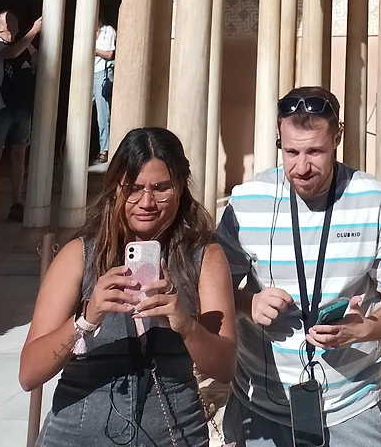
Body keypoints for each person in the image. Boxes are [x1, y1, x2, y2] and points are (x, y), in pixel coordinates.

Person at [217, 85, 381, 447]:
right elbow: (213, 289)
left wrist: (365, 329)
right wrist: (250, 303)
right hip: (261, 406)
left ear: (337, 137)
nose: (302, 167)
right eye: (291, 152)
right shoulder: (247, 202)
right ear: (279, 138)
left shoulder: (375, 201)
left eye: (315, 152)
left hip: (352, 407)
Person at [19, 126, 236, 445]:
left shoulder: (204, 257)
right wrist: (85, 319)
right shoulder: (80, 255)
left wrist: (186, 326)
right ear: (115, 189)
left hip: (173, 433)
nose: (146, 202)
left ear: (180, 187)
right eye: (133, 188)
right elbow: (29, 374)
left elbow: (226, 367)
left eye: (161, 188)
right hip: (77, 434)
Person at [0, 9, 41, 226]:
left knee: (19, 154)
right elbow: (12, 53)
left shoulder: (25, 44)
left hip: (22, 107)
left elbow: (37, 59)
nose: (15, 21)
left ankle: (17, 202)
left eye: (14, 18)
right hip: (1, 108)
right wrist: (34, 31)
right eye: (9, 19)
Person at [93, 18, 117, 162]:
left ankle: (104, 149)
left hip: (101, 72)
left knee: (102, 113)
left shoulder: (108, 31)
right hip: (87, 70)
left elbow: (109, 54)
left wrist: (93, 49)